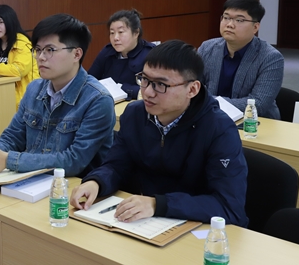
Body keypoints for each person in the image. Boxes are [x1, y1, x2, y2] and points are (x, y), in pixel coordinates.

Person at [70, 40, 248, 227]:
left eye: (160, 85)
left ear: (192, 89)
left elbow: (228, 206)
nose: (147, 92)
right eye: (144, 80)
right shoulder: (135, 114)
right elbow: (116, 166)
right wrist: (96, 182)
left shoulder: (219, 129)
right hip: (145, 223)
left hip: (198, 228)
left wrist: (158, 204)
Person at [0, 14, 115, 178]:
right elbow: (12, 137)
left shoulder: (98, 100)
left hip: (73, 187)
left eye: (50, 50)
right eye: (38, 50)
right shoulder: (34, 89)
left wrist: (8, 160)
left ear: (76, 54)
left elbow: (73, 161)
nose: (41, 57)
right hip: (31, 180)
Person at [198, 0, 284, 119]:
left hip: (254, 123)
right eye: (226, 18)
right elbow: (191, 88)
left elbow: (258, 104)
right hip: (211, 118)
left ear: (255, 27)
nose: (229, 24)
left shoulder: (271, 58)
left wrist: (208, 102)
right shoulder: (207, 48)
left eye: (239, 20)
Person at [89, 9, 155, 99]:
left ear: (136, 33)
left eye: (121, 32)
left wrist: (121, 87)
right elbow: (90, 80)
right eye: (112, 33)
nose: (115, 38)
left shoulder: (151, 54)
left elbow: (153, 89)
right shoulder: (107, 51)